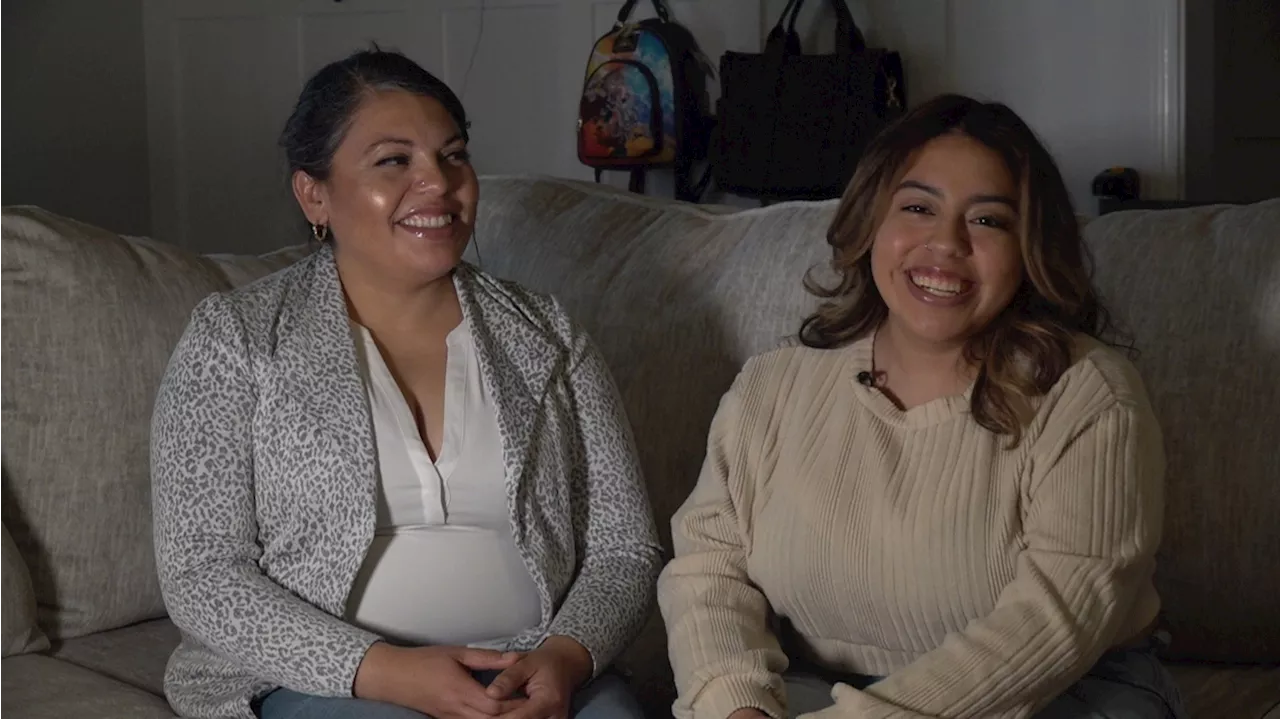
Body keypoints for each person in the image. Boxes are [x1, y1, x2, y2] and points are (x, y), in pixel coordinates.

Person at [151, 49, 662, 719]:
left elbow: (625, 546)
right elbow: (202, 573)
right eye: (395, 160)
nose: (438, 184)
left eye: (453, 156)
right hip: (318, 682)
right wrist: (378, 669)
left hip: (534, 671)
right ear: (314, 194)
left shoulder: (550, 334)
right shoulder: (236, 339)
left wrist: (566, 655)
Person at [658, 94, 1186, 719]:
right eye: (917, 207)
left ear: (1031, 249)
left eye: (988, 221)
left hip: (1056, 694)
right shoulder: (771, 388)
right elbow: (708, 570)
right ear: (870, 223)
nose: (946, 243)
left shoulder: (1088, 395)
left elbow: (1057, 620)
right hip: (811, 691)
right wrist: (737, 706)